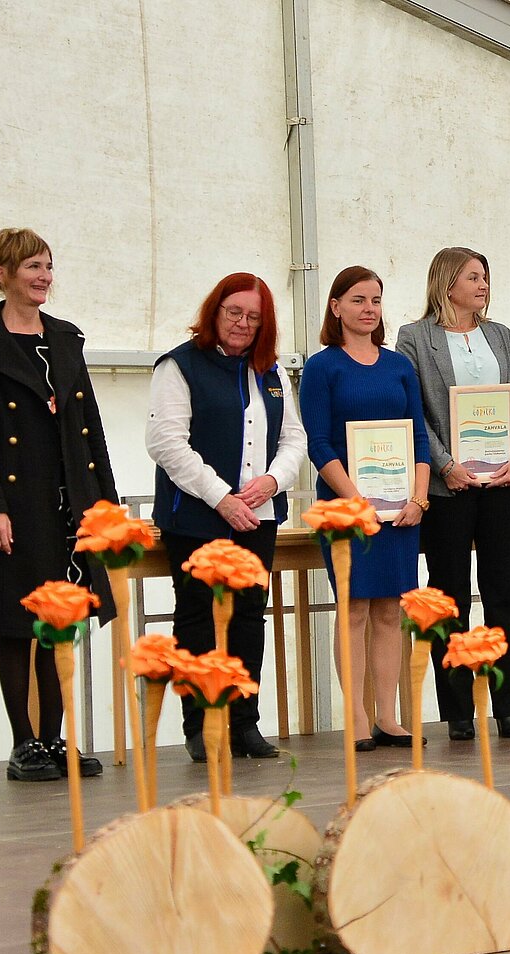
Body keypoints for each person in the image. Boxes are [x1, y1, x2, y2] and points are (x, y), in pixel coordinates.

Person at [0, 228, 118, 781]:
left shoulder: (67, 339)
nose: (44, 275)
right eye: (32, 266)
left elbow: (89, 425)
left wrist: (107, 508)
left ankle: (54, 739)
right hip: (14, 502)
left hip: (68, 499)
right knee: (15, 622)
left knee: (61, 621)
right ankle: (23, 743)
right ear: (1, 273)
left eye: (48, 265)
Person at [147, 273, 305, 762]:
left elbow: (293, 438)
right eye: (234, 312)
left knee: (248, 617)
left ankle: (244, 720)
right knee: (197, 617)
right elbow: (166, 443)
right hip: (196, 518)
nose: (242, 323)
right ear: (214, 312)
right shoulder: (179, 365)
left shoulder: (271, 372)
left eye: (254, 317)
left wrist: (272, 482)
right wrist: (221, 497)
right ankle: (199, 724)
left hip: (258, 516)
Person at [396, 248, 510, 741]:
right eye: (473, 277)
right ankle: (457, 710)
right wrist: (445, 465)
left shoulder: (500, 334)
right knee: (449, 596)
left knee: (503, 596)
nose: (482, 285)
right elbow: (417, 414)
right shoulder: (414, 337)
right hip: (448, 487)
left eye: (486, 278)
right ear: (446, 281)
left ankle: (507, 705)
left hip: (503, 485)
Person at [302, 266, 432, 748]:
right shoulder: (322, 367)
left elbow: (418, 437)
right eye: (358, 300)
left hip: (400, 510)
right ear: (336, 306)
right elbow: (318, 443)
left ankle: (389, 715)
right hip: (345, 509)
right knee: (354, 608)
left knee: (390, 612)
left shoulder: (399, 366)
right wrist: (354, 498)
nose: (368, 309)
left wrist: (418, 498)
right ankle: (356, 717)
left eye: (375, 300)